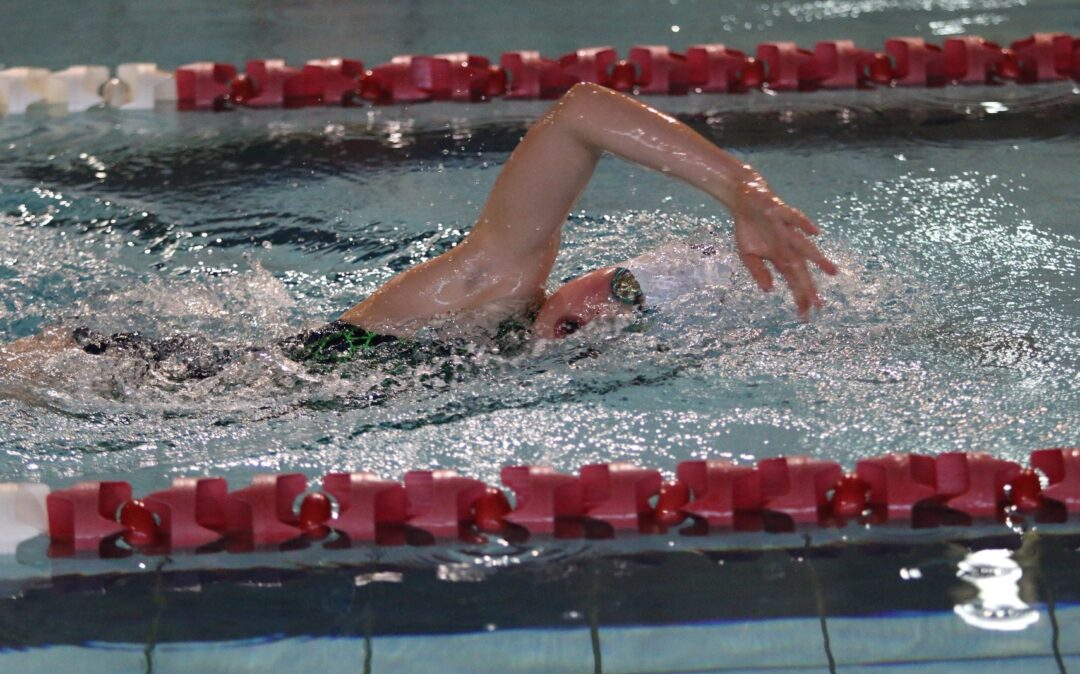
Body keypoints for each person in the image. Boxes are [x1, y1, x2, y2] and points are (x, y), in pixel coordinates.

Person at [1, 83, 836, 376]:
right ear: (599, 271)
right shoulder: (497, 288)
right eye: (618, 287)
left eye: (633, 317)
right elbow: (581, 113)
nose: (604, 315)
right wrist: (742, 188)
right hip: (122, 373)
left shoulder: (530, 366)